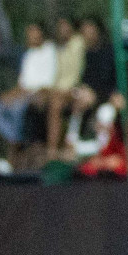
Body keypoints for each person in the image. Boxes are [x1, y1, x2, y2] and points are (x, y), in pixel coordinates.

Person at [0, 22, 57, 161]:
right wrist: (7, 96)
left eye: (33, 32)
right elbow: (22, 84)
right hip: (25, 93)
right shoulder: (29, 54)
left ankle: (17, 150)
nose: (30, 36)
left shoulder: (50, 51)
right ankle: (16, 139)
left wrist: (26, 94)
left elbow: (48, 83)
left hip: (40, 94)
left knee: (18, 109)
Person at [45, 17, 86, 157]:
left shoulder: (78, 43)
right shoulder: (55, 47)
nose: (63, 30)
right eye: (60, 26)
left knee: (56, 105)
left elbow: (76, 75)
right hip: (56, 90)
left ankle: (52, 149)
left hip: (74, 90)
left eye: (65, 25)